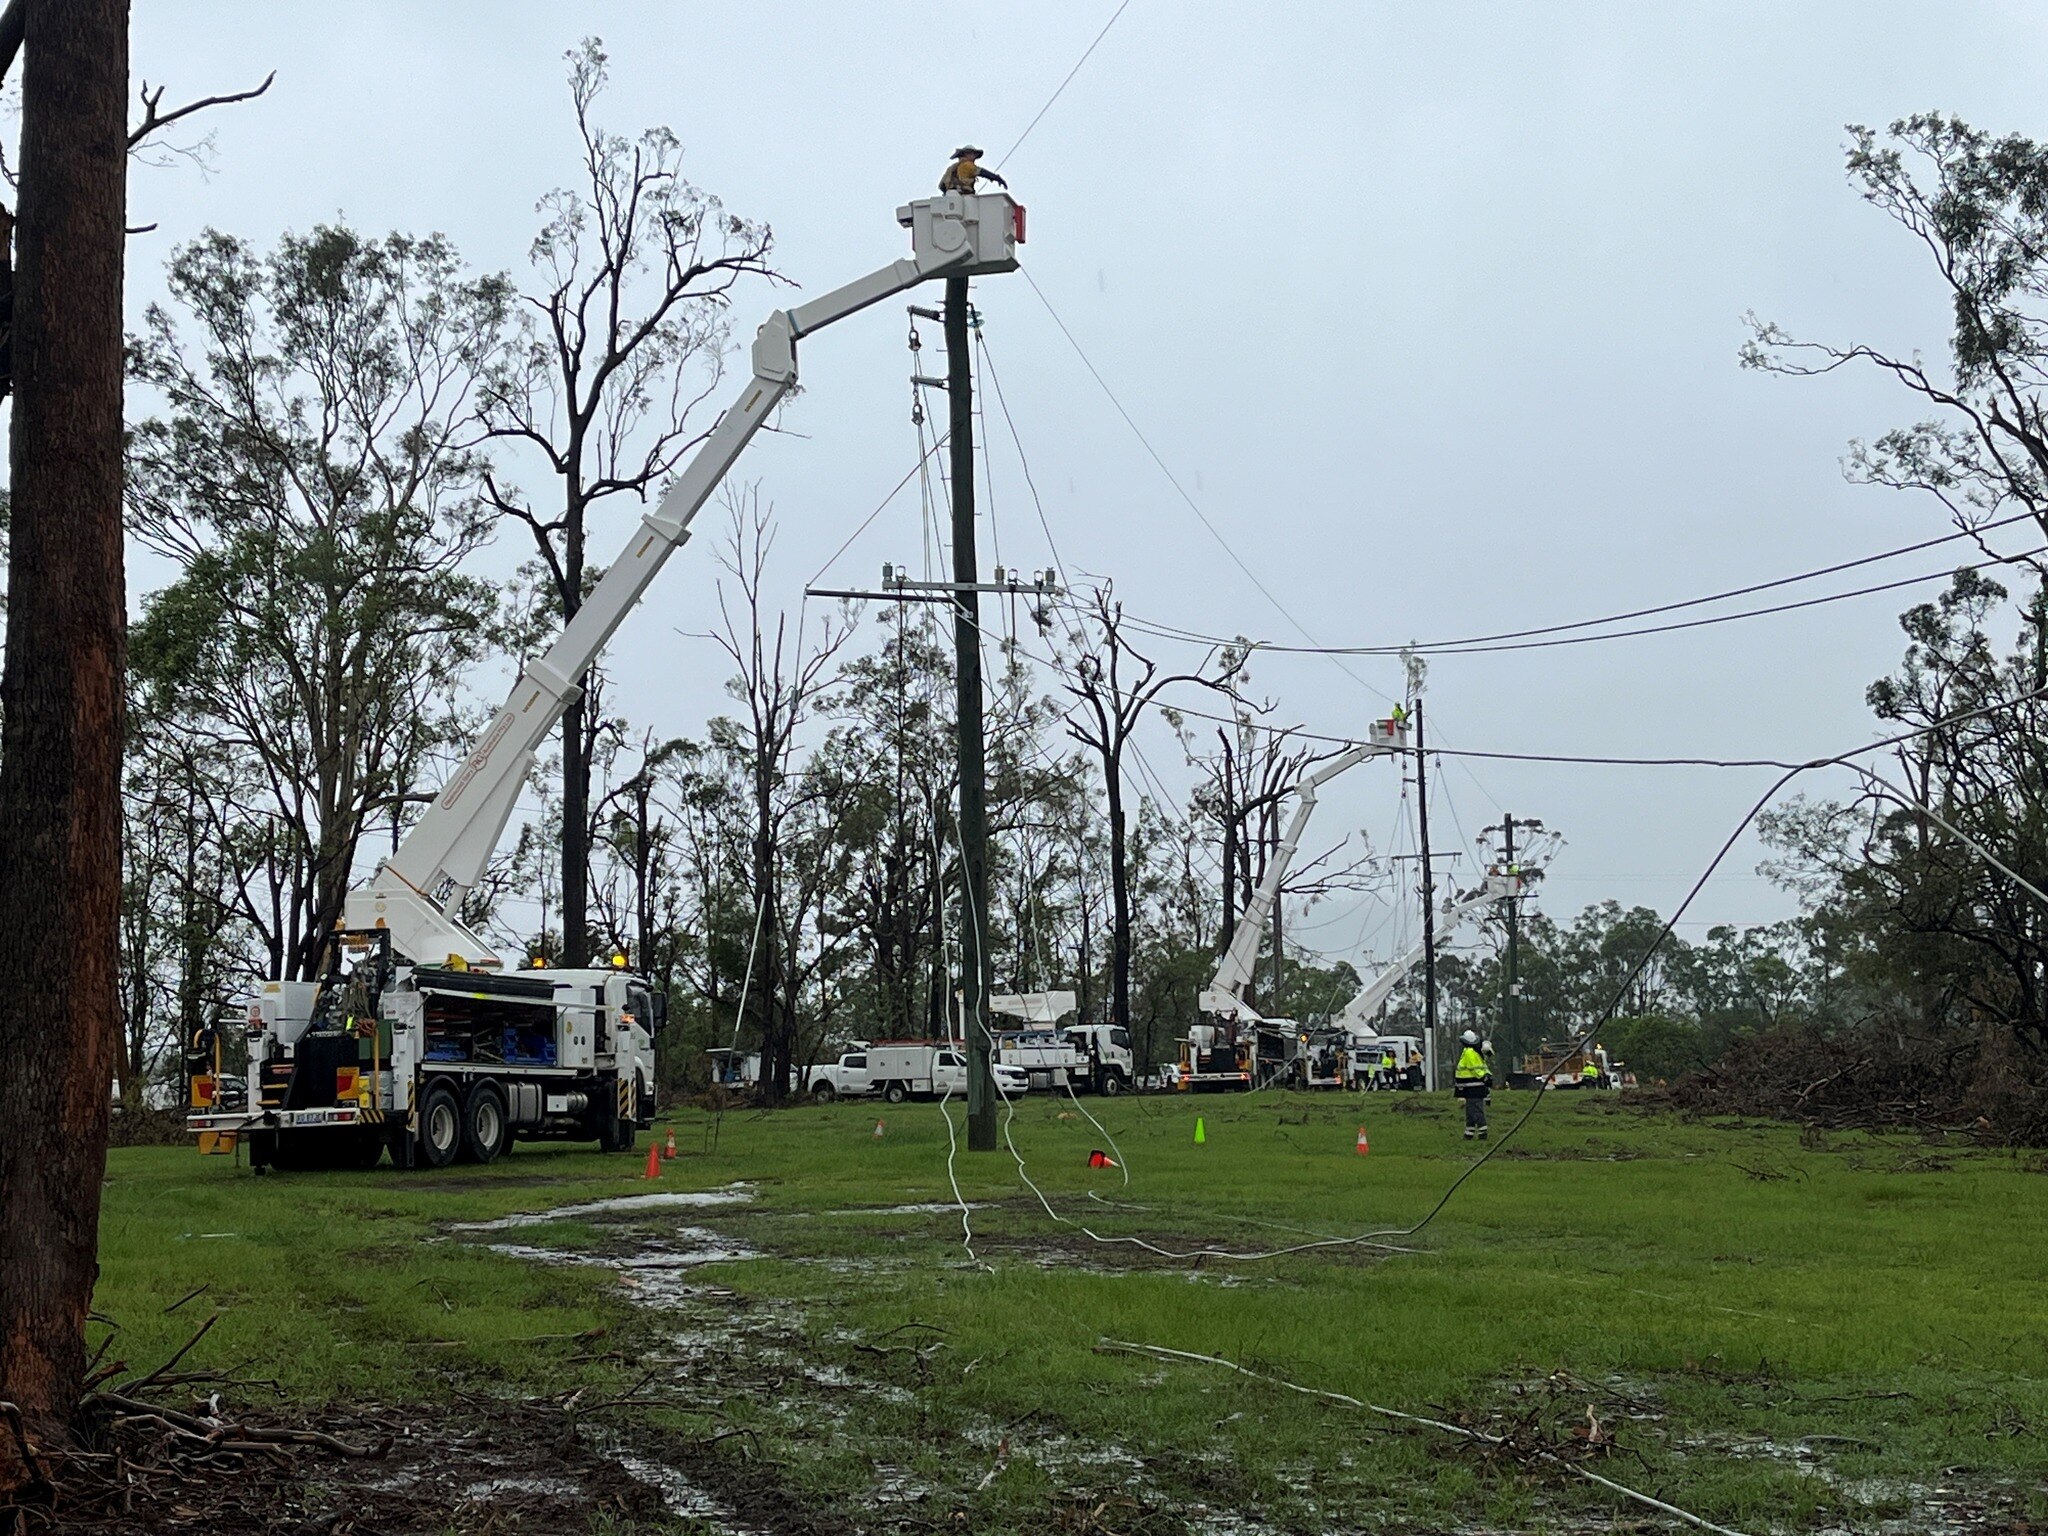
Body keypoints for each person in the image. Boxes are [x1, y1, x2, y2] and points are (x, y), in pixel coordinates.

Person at [1454, 1029, 1491, 1140]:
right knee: (1470, 1111)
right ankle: (1469, 1134)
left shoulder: (1469, 1052)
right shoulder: (1471, 1052)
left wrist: (1484, 1077)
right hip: (1470, 1087)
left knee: (1476, 1110)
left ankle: (1482, 1133)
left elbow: (1475, 1069)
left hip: (1474, 1087)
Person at [940, 145, 1008, 195]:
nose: (974, 156)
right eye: (972, 153)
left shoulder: (952, 168)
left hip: (952, 197)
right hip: (964, 196)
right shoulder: (967, 165)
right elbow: (983, 173)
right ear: (966, 154)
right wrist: (998, 178)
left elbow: (941, 185)